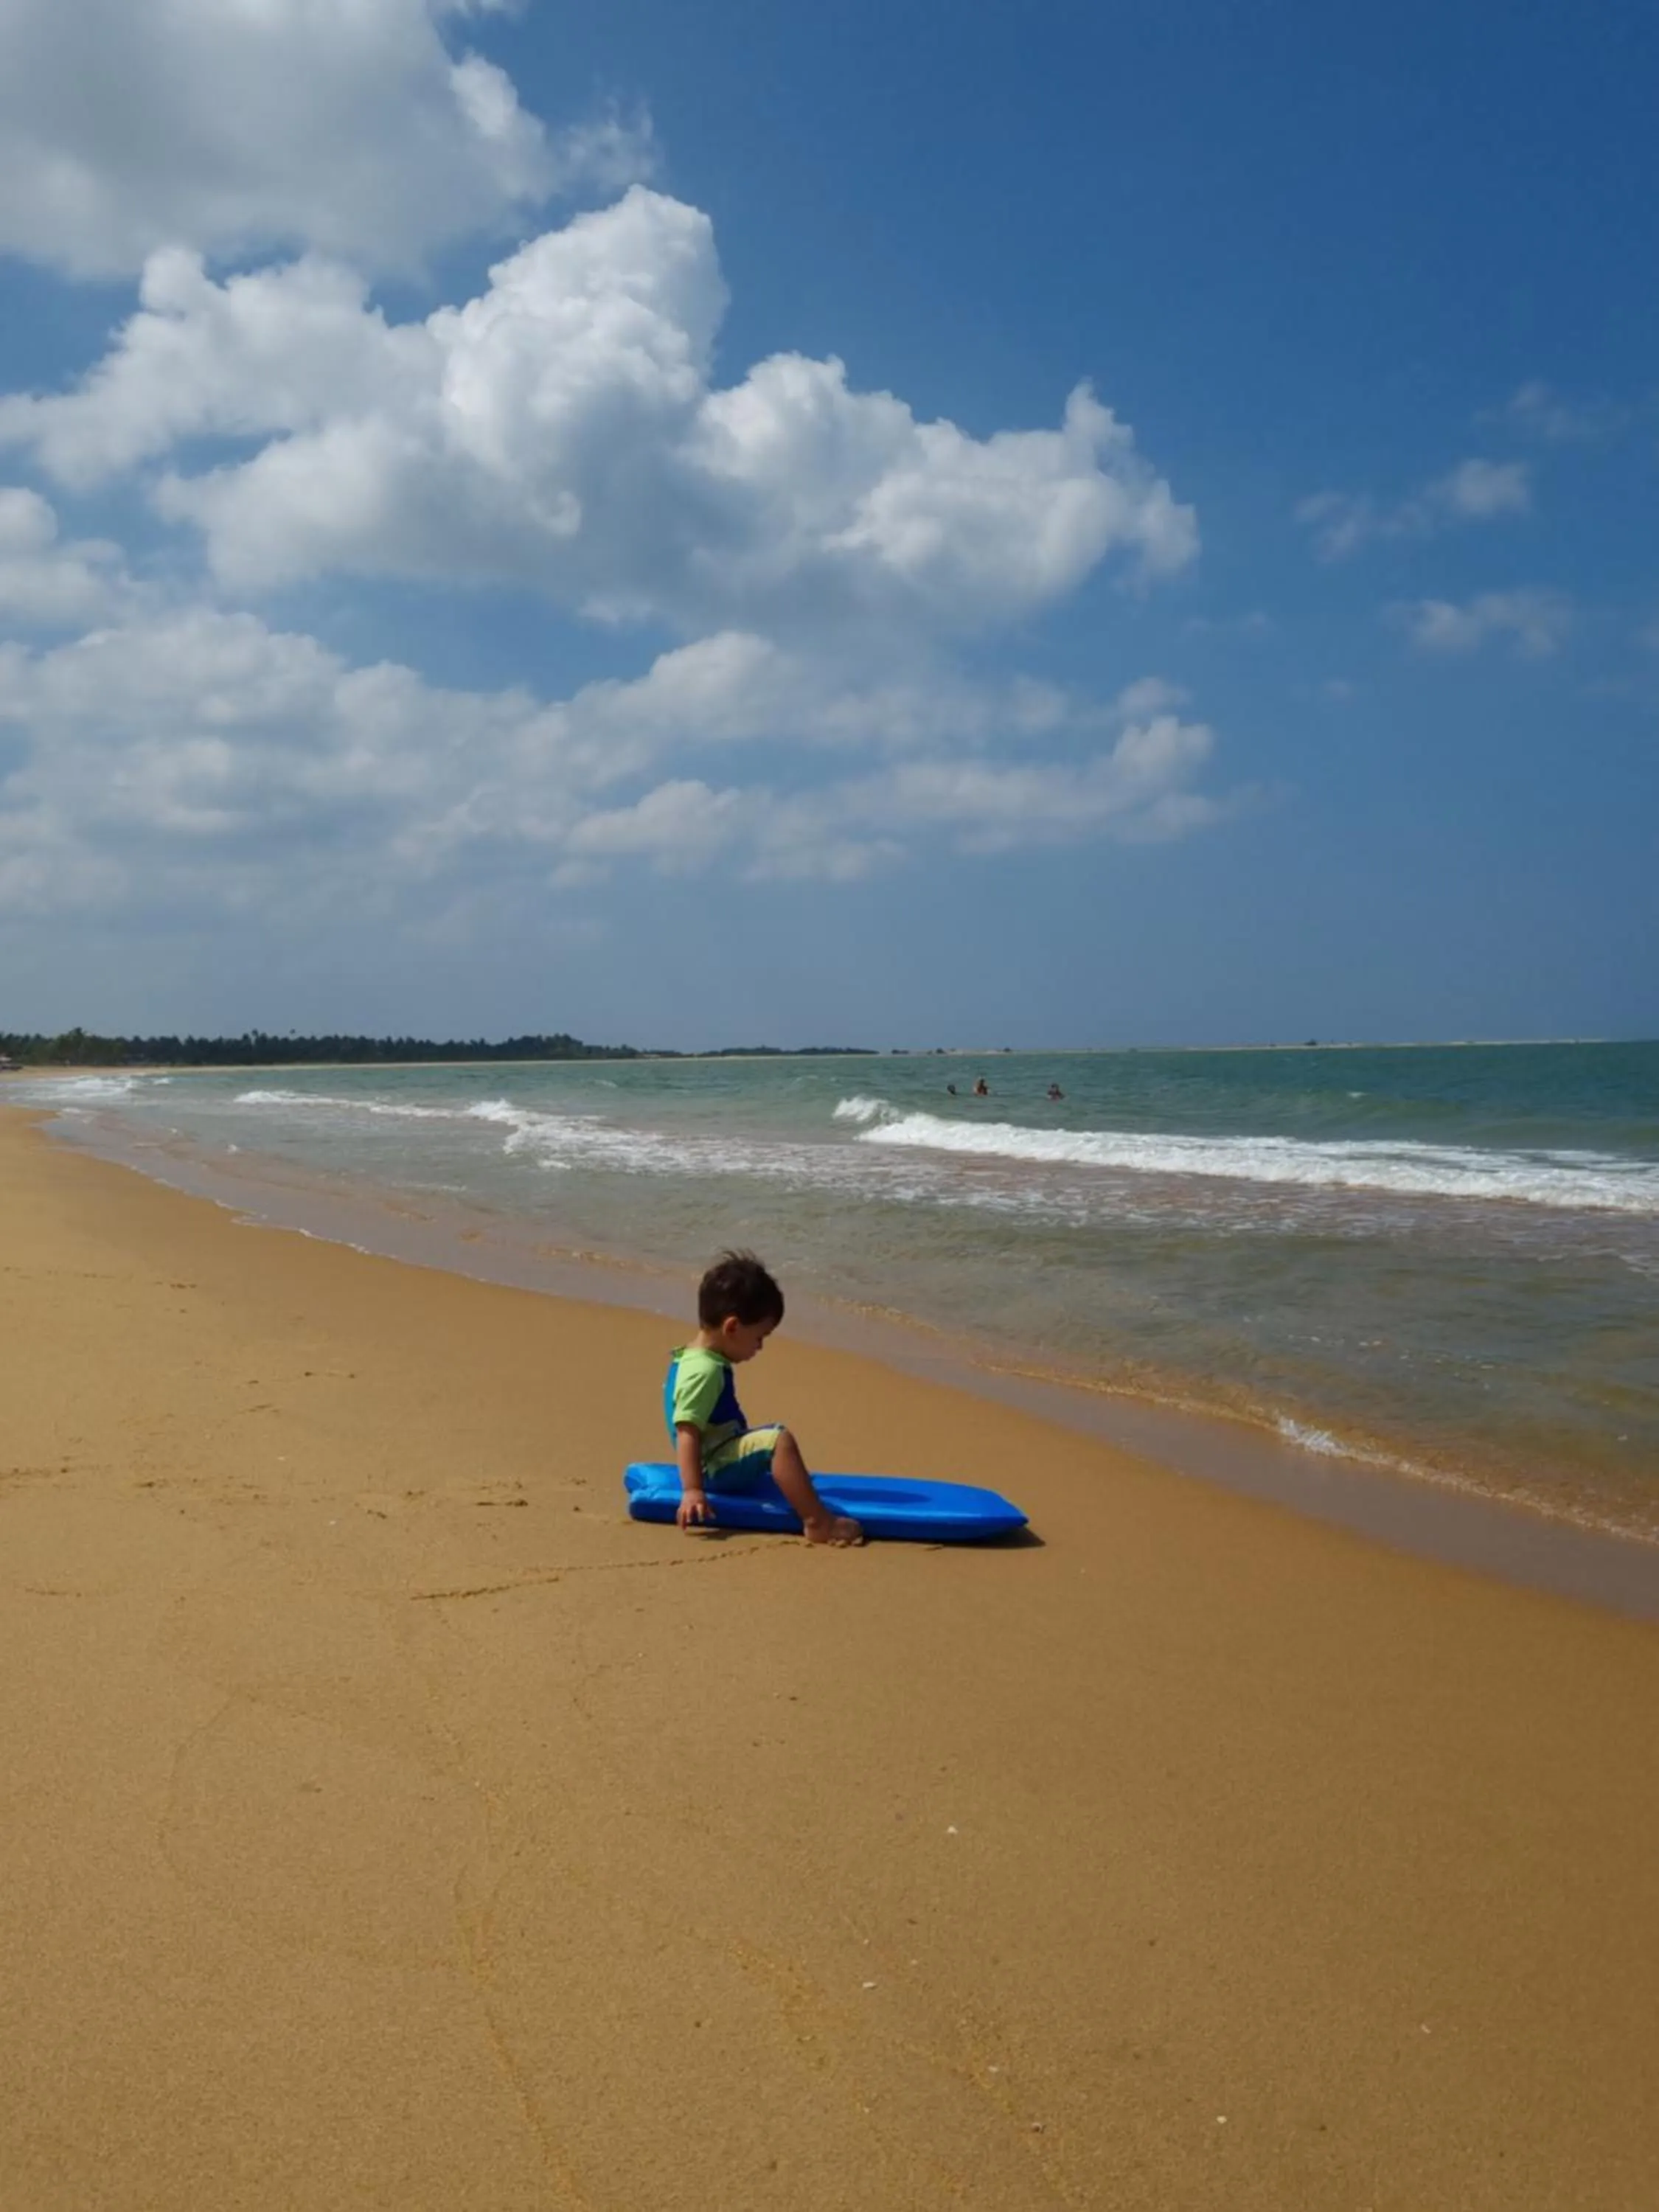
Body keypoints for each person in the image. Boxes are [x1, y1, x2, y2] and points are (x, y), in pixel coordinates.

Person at [664, 1251, 863, 1545]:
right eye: (759, 1337)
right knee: (778, 1441)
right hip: (714, 1469)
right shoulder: (703, 1371)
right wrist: (693, 1489)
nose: (760, 1347)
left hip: (715, 1454)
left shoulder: (693, 1358)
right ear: (732, 1327)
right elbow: (687, 1430)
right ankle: (818, 1523)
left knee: (769, 1440)